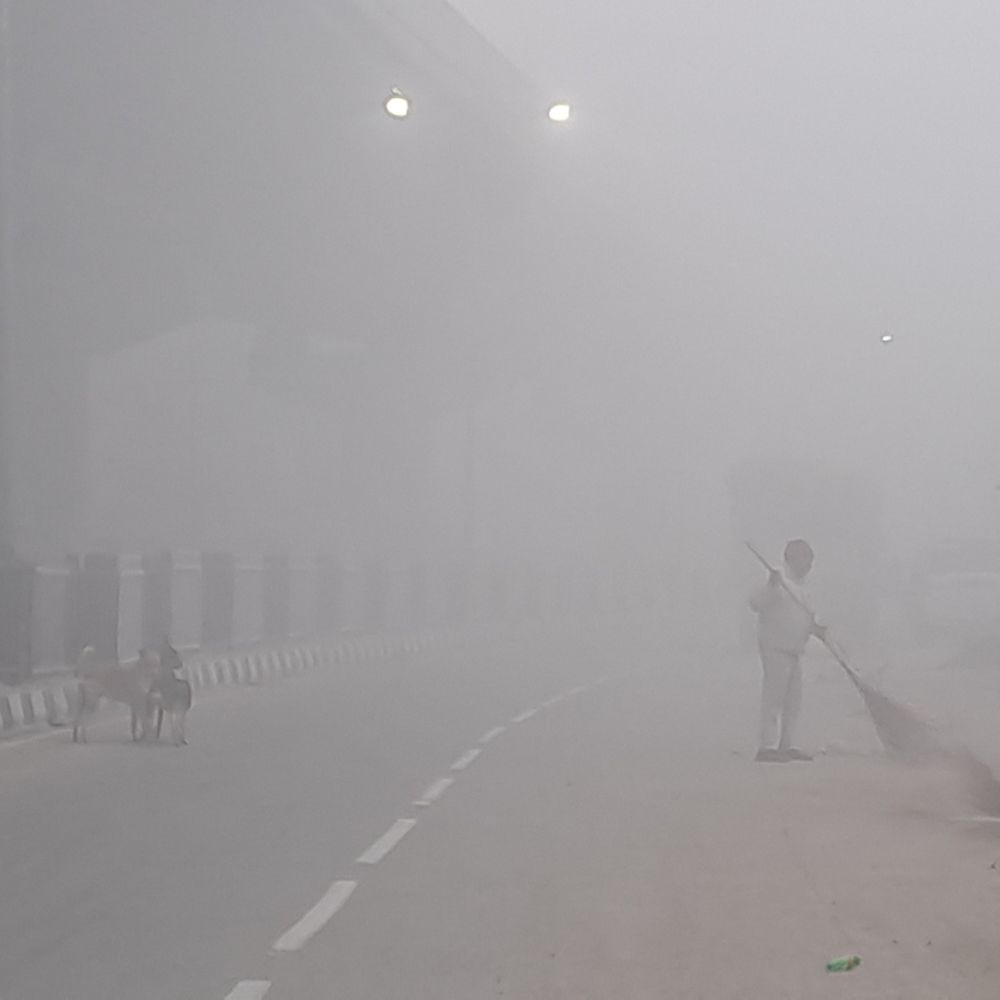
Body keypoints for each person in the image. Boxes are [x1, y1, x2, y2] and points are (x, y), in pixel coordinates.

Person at [748, 539, 827, 763]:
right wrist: (771, 586)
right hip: (775, 647)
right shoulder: (776, 578)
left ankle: (789, 744)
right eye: (805, 559)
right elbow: (755, 603)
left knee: (794, 701)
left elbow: (806, 617)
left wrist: (816, 629)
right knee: (774, 698)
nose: (809, 565)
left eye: (811, 560)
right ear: (792, 558)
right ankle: (768, 746)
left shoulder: (805, 587)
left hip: (795, 649)